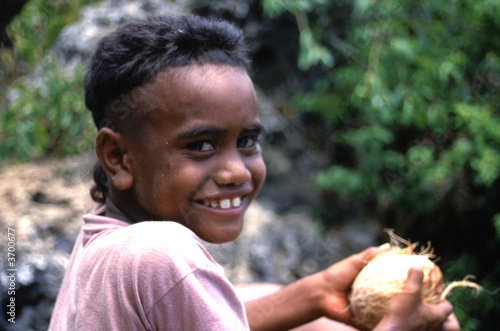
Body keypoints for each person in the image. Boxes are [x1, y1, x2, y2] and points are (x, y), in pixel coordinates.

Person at [48, 15, 460, 331]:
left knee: (273, 298)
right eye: (201, 145)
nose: (234, 172)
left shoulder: (102, 244)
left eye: (247, 141)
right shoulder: (161, 251)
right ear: (118, 157)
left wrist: (316, 295)